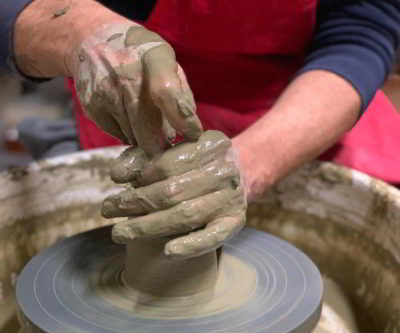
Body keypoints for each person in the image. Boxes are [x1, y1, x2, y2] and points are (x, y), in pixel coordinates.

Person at [1, 0, 399, 258]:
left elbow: (362, 32)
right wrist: (75, 30)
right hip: (129, 103)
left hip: (293, 106)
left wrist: (251, 164)